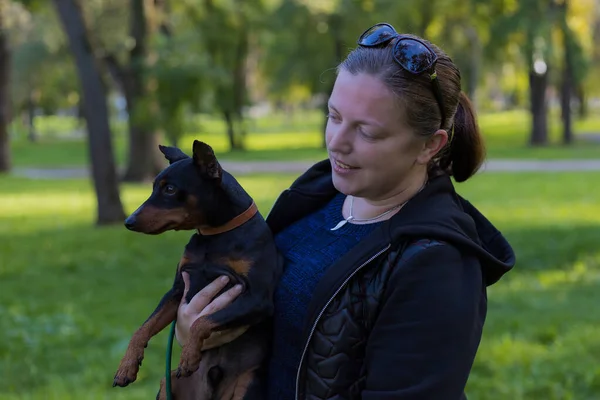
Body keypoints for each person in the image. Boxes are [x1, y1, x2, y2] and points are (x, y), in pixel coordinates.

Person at [175, 22, 516, 399]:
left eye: (367, 132)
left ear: (428, 147)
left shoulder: (438, 263)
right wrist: (194, 331)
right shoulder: (316, 194)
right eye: (334, 117)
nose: (337, 143)